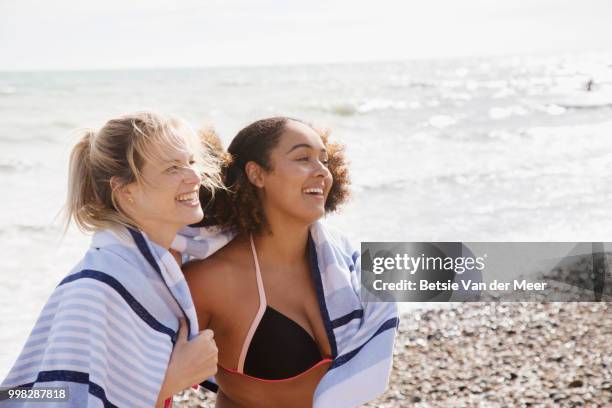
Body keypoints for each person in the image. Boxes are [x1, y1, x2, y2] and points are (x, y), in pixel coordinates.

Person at [1, 112, 223, 407]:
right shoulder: (95, 290)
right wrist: (172, 379)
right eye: (172, 168)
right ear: (125, 190)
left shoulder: (156, 271)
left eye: (191, 162)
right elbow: (40, 395)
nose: (195, 176)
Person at [180, 117, 398, 407]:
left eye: (323, 159)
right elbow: (144, 383)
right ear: (257, 174)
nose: (322, 171)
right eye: (303, 158)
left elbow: (467, 270)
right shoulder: (214, 279)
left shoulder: (345, 261)